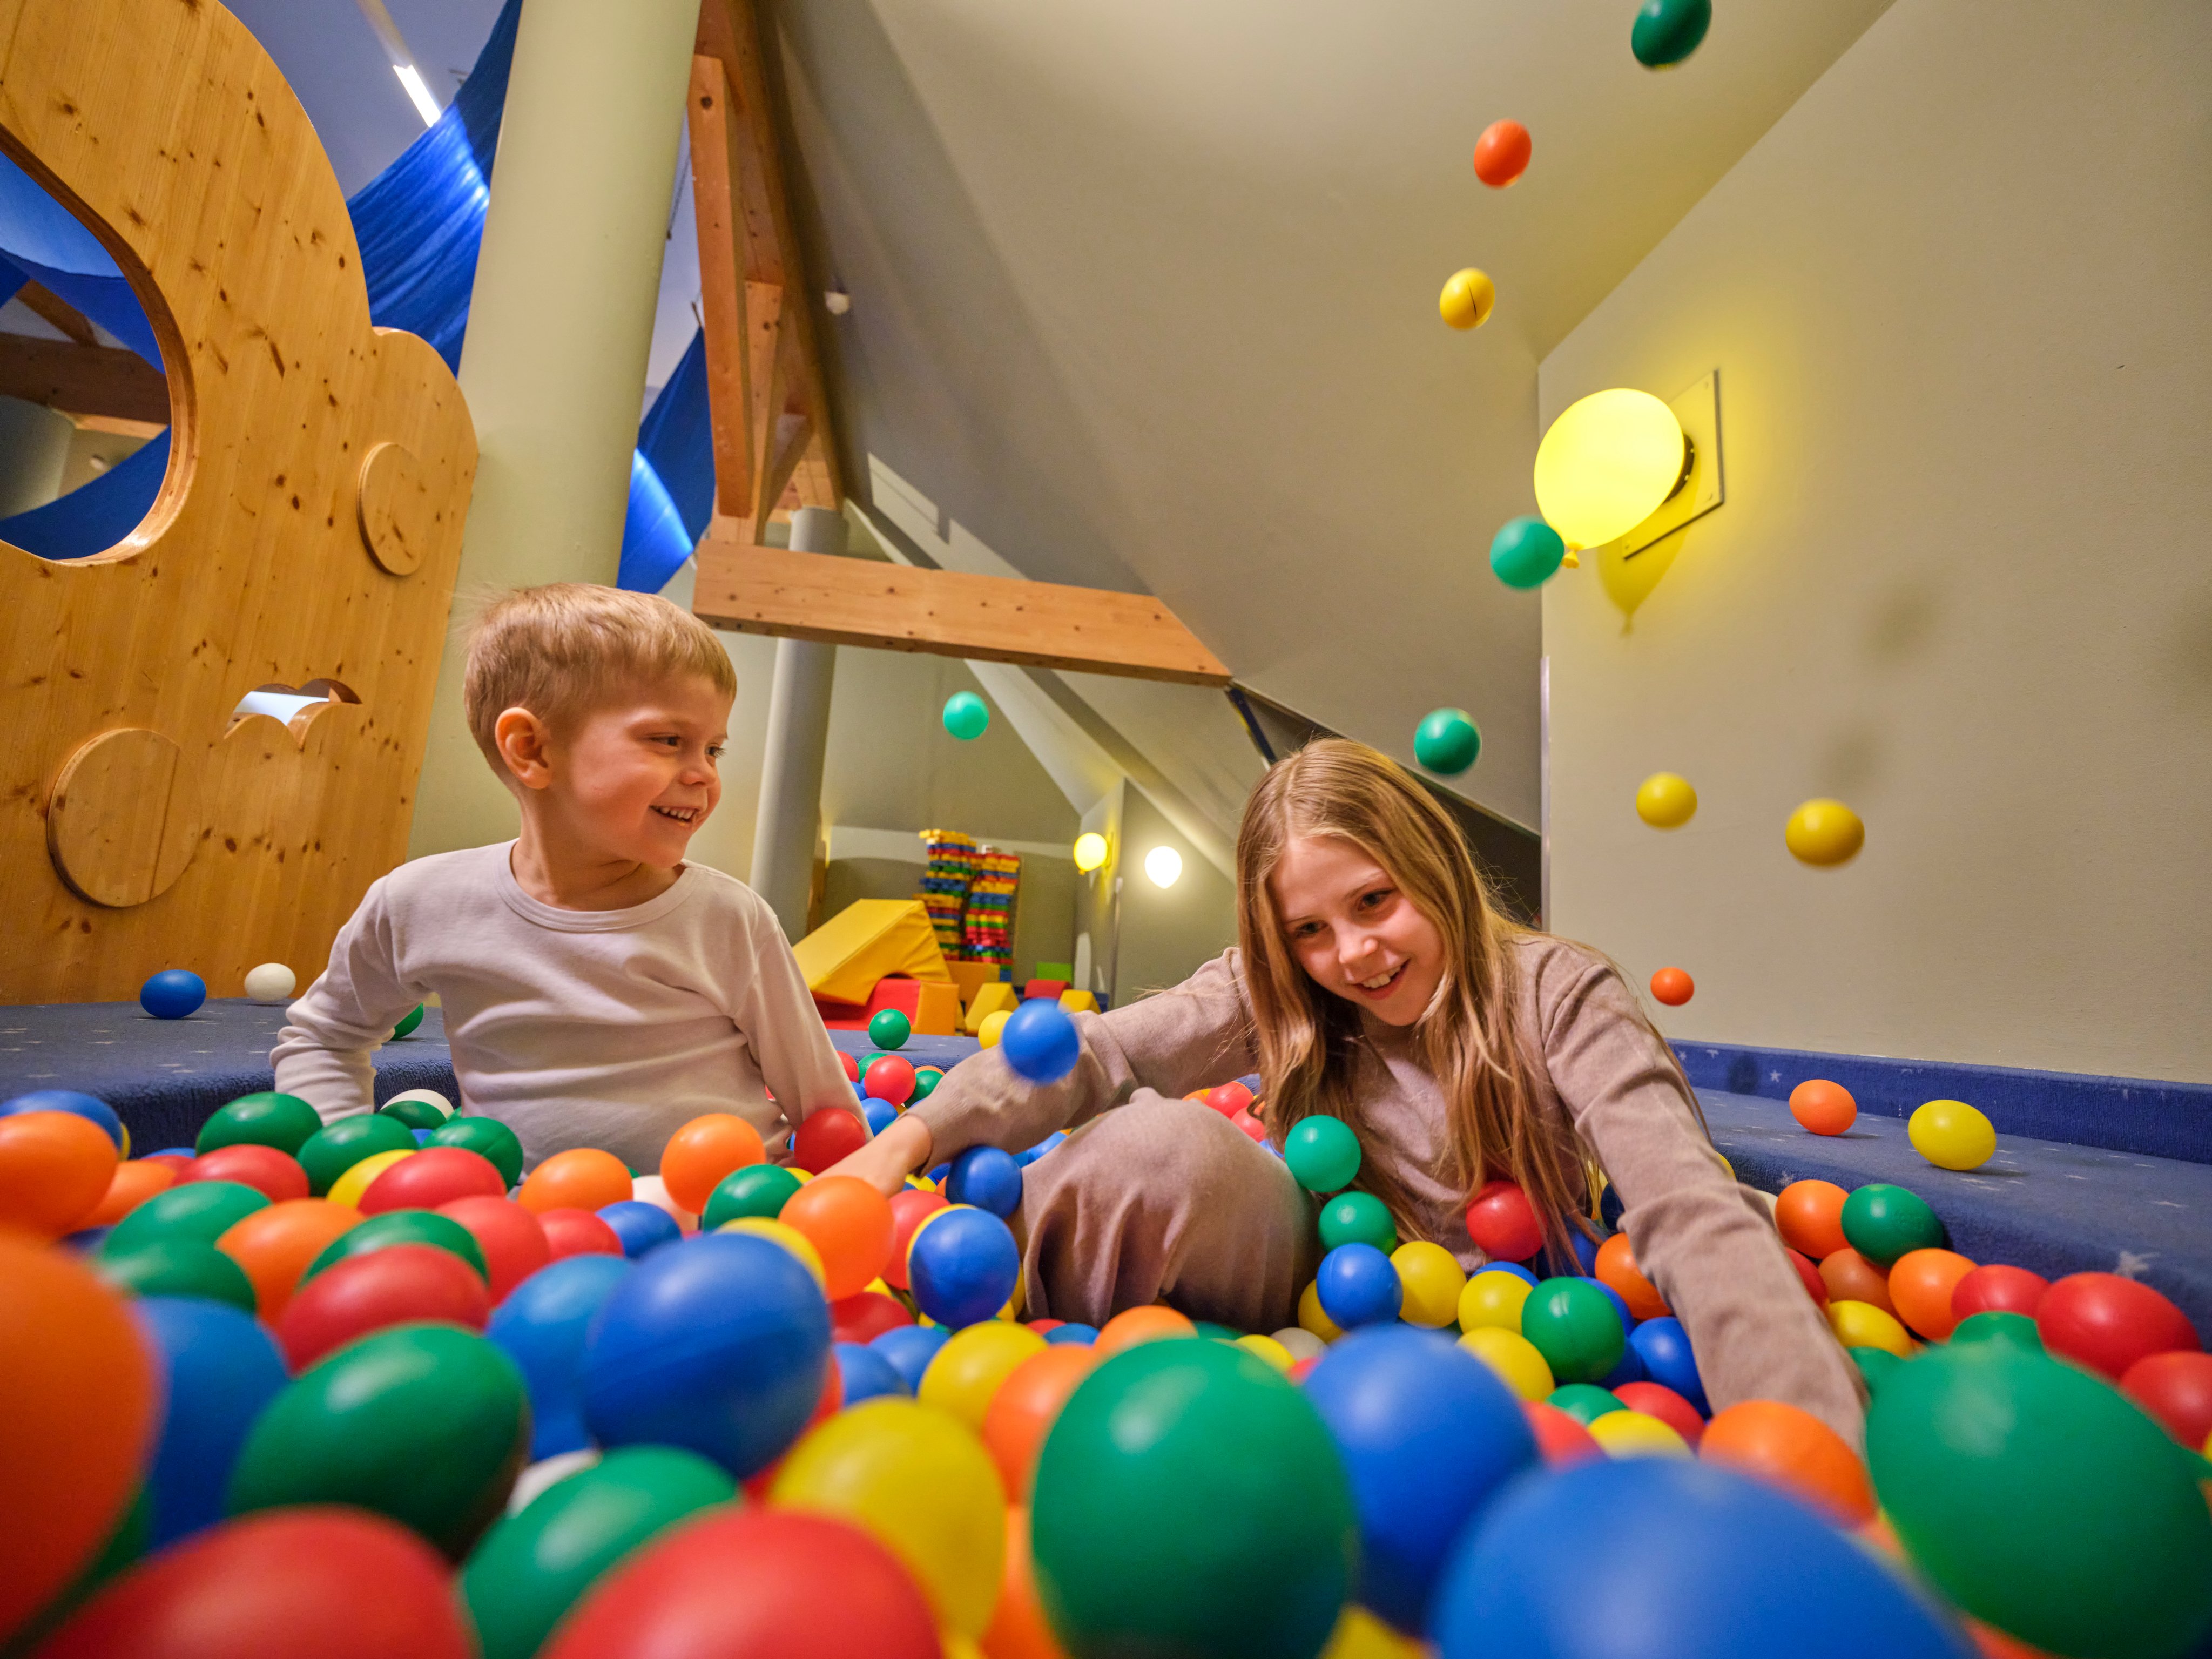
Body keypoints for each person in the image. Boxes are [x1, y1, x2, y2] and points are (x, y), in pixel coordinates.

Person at [831, 738, 1865, 1441]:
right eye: (1309, 930)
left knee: (1716, 1216)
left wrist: (1821, 1466)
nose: (1354, 955)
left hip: (1528, 1333)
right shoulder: (1280, 992)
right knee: (1156, 1147)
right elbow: (1101, 1053)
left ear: (1434, 866)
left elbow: (1680, 1201)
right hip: (1318, 1289)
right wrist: (914, 1134)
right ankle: (1011, 1380)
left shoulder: (1557, 991)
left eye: (1376, 901)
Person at [271, 584, 857, 1173]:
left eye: (713, 749)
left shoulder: (727, 918)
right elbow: (325, 1037)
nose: (703, 774)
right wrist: (344, 1161)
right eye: (669, 741)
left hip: (716, 1218)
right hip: (520, 1224)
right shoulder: (422, 903)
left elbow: (823, 1108)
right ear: (532, 750)